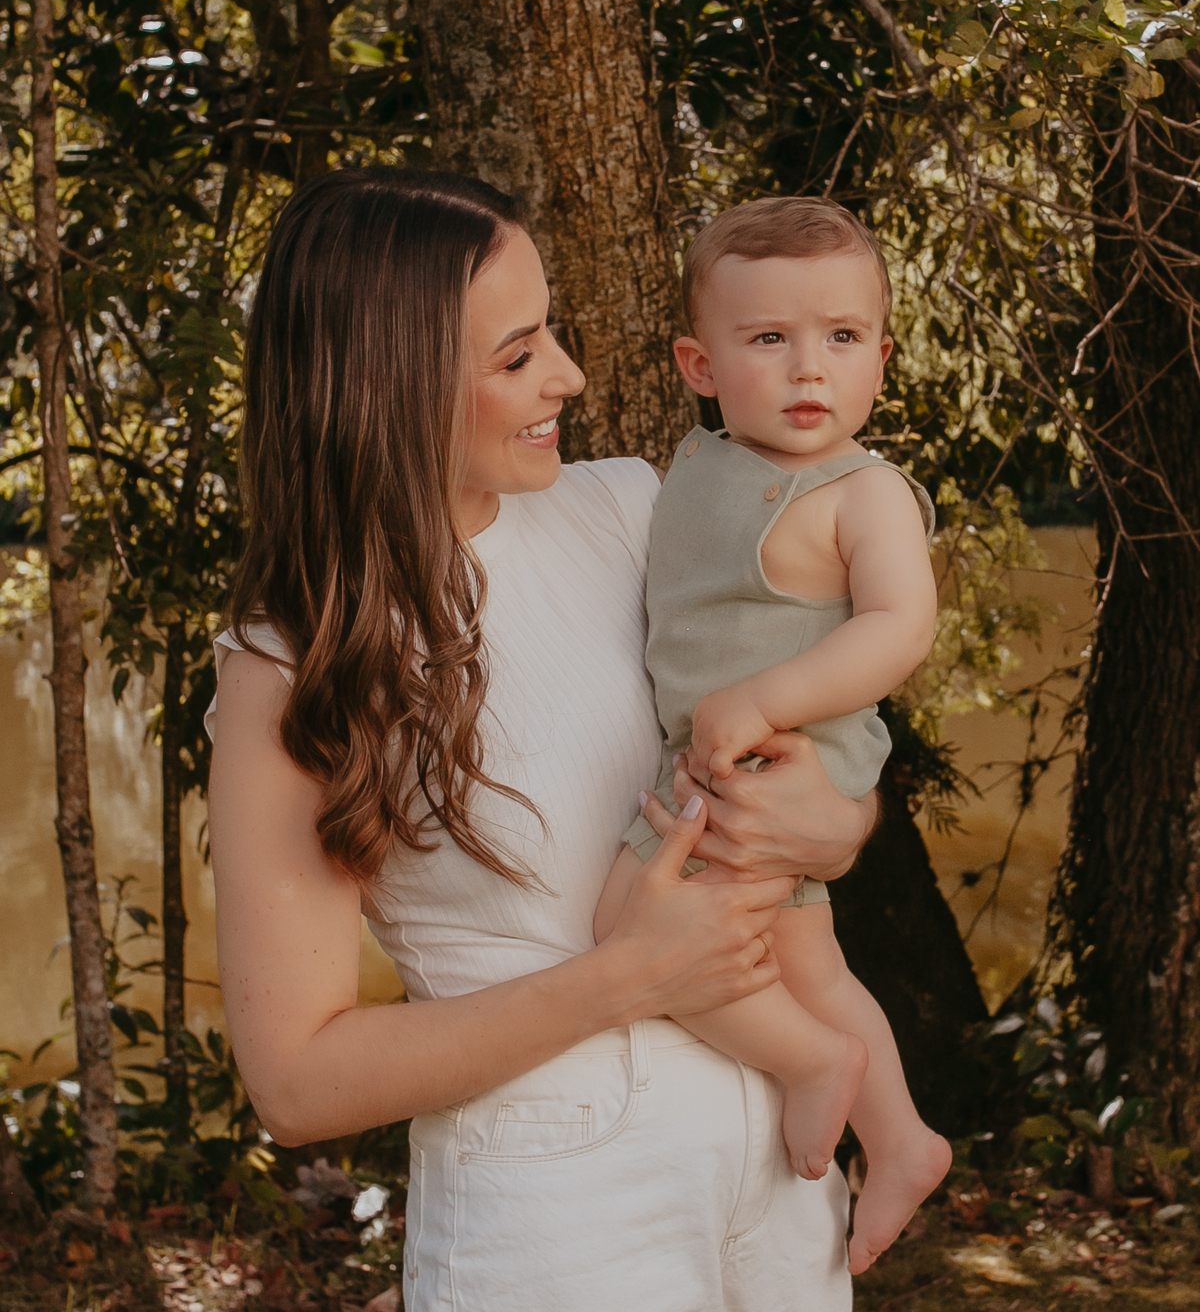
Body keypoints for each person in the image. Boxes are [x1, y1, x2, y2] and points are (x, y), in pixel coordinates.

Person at [205, 169, 876, 1312]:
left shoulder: (630, 510)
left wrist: (839, 827)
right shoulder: (295, 659)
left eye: (549, 333)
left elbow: (798, 772)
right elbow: (296, 1081)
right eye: (517, 357)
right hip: (559, 1217)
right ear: (389, 385)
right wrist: (624, 980)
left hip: (777, 1163)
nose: (566, 375)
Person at [595, 197, 952, 1276]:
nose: (810, 370)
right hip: (716, 761)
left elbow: (900, 628)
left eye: (842, 339)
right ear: (700, 366)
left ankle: (827, 1078)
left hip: (780, 759)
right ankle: (894, 1133)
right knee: (798, 951)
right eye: (770, 340)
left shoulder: (865, 492)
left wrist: (768, 701)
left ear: (881, 358)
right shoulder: (692, 468)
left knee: (632, 928)